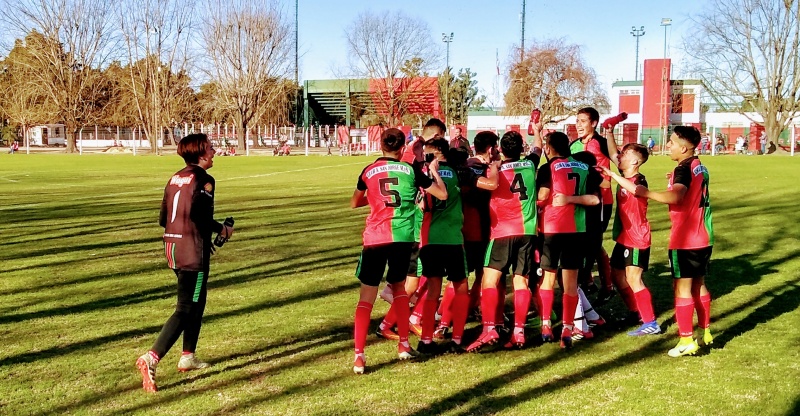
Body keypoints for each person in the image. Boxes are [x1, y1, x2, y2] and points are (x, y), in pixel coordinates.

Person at [136, 133, 234, 393]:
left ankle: (188, 356)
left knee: (197, 301)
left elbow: (162, 218)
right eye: (211, 148)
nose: (214, 152)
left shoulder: (174, 178)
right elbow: (200, 216)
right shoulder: (204, 180)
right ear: (201, 152)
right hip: (192, 250)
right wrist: (221, 229)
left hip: (172, 247)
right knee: (186, 308)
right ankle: (151, 357)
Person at [350, 128, 448, 374]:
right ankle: (404, 345)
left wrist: (374, 199)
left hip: (375, 238)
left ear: (380, 146)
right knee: (399, 289)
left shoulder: (368, 171)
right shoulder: (412, 171)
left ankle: (359, 357)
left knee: (366, 299)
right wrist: (434, 173)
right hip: (402, 238)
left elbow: (354, 202)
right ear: (402, 148)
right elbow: (441, 194)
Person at [632, 126, 714, 357]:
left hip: (686, 238)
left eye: (671, 142)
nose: (668, 145)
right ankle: (705, 330)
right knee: (699, 283)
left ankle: (686, 339)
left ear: (684, 148)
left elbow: (677, 196)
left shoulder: (683, 168)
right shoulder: (699, 165)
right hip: (704, 235)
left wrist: (646, 193)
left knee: (682, 288)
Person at [415, 137, 498, 355]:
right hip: (453, 238)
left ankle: (426, 340)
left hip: (430, 238)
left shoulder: (422, 174)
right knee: (461, 286)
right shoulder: (458, 173)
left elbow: (421, 204)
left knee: (433, 290)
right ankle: (457, 338)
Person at [466, 130, 542, 352]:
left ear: (500, 149)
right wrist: (536, 130)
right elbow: (538, 147)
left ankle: (489, 328)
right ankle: (518, 332)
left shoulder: (493, 170)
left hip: (501, 232)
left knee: (489, 281)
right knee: (521, 282)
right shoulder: (530, 164)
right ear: (521, 149)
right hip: (528, 232)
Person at [537, 131, 601, 349]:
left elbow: (544, 196)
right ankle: (567, 327)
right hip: (577, 230)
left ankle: (546, 325)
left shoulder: (548, 168)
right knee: (571, 283)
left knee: (548, 279)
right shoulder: (584, 168)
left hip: (552, 229)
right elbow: (594, 199)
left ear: (549, 148)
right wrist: (572, 199)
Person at [599, 144, 661, 336]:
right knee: (617, 276)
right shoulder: (625, 175)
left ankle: (651, 322)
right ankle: (636, 313)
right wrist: (609, 131)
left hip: (637, 238)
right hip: (624, 237)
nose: (620, 157)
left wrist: (613, 175)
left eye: (625, 155)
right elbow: (612, 153)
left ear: (634, 161)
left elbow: (636, 190)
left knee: (634, 278)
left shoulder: (639, 179)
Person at [570, 107, 615, 304]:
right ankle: (588, 283)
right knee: (583, 242)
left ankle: (607, 286)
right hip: (581, 201)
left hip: (601, 201)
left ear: (594, 123)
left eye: (582, 121)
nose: (578, 125)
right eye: (577, 121)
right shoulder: (573, 146)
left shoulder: (601, 143)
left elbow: (617, 158)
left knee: (594, 245)